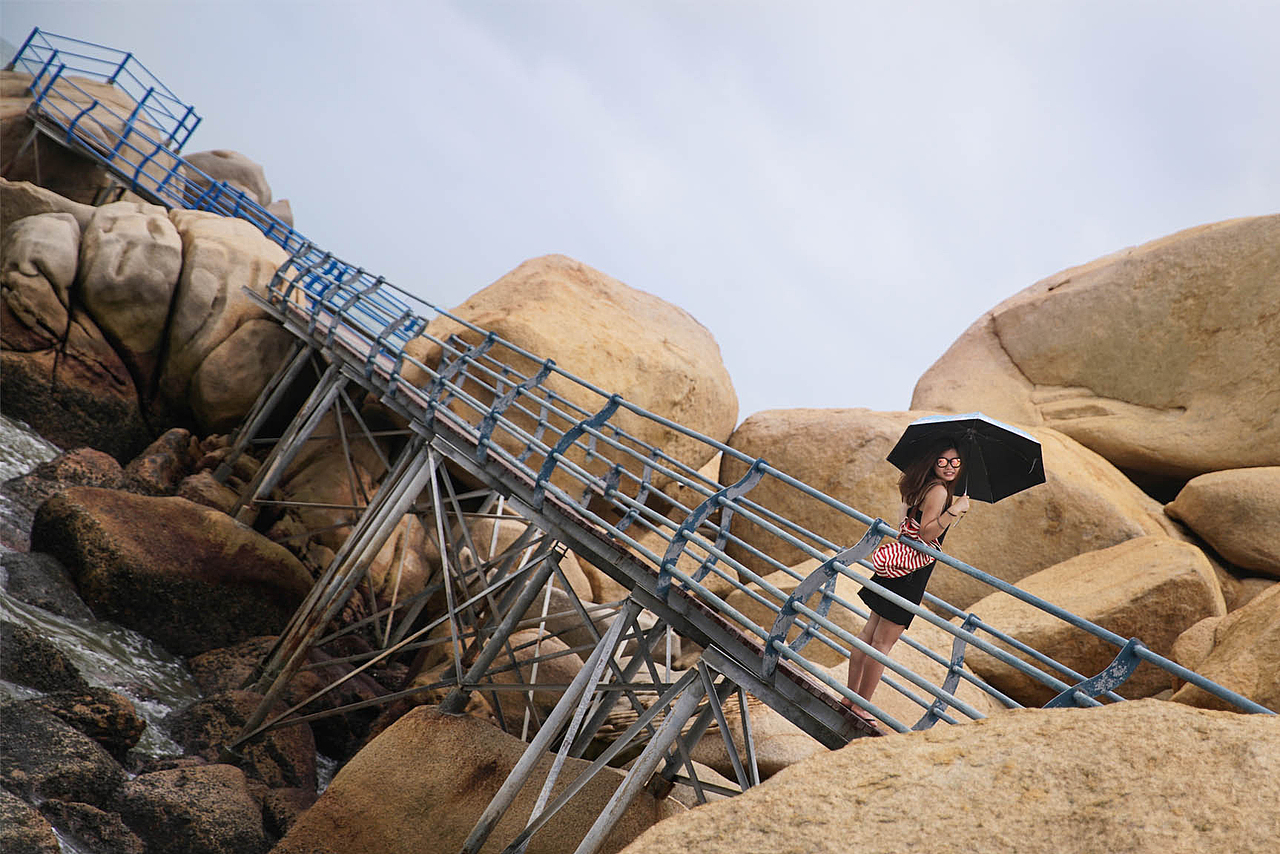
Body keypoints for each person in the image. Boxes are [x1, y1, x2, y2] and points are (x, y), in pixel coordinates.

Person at [843, 440, 970, 729]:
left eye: (955, 462)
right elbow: (926, 534)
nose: (950, 467)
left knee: (870, 633)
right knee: (883, 644)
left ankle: (850, 697)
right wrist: (955, 509)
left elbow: (905, 524)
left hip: (897, 565)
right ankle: (861, 706)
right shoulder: (938, 490)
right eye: (943, 461)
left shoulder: (918, 486)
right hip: (911, 573)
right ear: (932, 462)